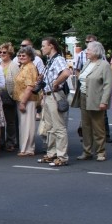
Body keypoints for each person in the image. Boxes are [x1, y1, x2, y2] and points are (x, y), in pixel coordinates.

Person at [74, 41, 112, 161]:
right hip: (84, 96)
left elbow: (107, 84)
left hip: (96, 98)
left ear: (96, 51)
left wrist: (104, 101)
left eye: (89, 50)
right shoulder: (87, 63)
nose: (87, 52)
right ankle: (87, 151)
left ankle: (100, 152)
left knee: (98, 126)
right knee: (85, 126)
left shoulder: (104, 65)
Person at [37, 36, 72, 167]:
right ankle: (52, 153)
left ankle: (62, 156)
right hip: (48, 95)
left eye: (43, 45)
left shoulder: (58, 59)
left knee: (59, 127)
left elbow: (66, 73)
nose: (42, 48)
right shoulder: (49, 60)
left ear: (51, 46)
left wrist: (56, 82)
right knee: (50, 127)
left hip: (55, 95)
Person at [13, 46, 40, 157]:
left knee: (28, 124)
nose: (21, 57)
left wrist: (23, 102)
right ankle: (24, 148)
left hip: (27, 100)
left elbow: (30, 86)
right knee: (23, 125)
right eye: (19, 55)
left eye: (24, 55)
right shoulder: (24, 66)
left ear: (30, 57)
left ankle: (28, 149)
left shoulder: (30, 68)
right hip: (21, 99)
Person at [0, 43, 19, 152]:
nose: (2, 54)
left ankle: (11, 141)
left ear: (9, 53)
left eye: (4, 52)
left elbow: (17, 81)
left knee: (10, 120)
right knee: (0, 121)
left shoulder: (14, 65)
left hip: (9, 94)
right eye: (0, 52)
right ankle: (0, 141)